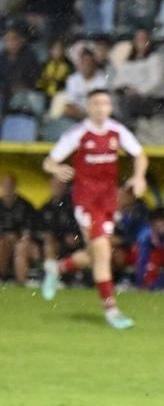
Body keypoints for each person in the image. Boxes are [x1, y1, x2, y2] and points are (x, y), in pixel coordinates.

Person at [41, 88, 148, 329]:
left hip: (108, 201)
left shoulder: (117, 131)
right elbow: (49, 161)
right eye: (96, 103)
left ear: (110, 108)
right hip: (86, 201)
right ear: (88, 107)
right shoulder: (77, 133)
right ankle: (111, 310)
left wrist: (139, 176)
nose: (101, 107)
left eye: (105, 103)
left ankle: (57, 268)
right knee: (102, 253)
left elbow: (140, 155)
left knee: (96, 253)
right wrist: (56, 169)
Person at [39, 178, 83, 283]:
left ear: (65, 187)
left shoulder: (73, 206)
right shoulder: (46, 208)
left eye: (59, 186)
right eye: (54, 186)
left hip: (74, 243)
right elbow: (39, 230)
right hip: (50, 245)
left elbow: (79, 229)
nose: (56, 188)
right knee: (48, 242)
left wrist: (76, 237)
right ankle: (52, 276)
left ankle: (53, 276)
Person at [0, 174, 39, 285]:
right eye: (5, 185)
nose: (7, 187)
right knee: (2, 243)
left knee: (21, 247)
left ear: (15, 186)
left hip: (23, 243)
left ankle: (21, 282)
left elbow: (30, 231)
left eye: (10, 184)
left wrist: (19, 238)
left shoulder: (25, 206)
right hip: (4, 244)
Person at [62, 50, 111, 121]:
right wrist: (82, 116)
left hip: (96, 114)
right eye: (84, 62)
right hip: (77, 115)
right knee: (66, 111)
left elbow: (101, 104)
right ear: (79, 64)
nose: (87, 65)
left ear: (94, 64)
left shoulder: (102, 80)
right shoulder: (72, 79)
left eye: (89, 62)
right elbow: (69, 104)